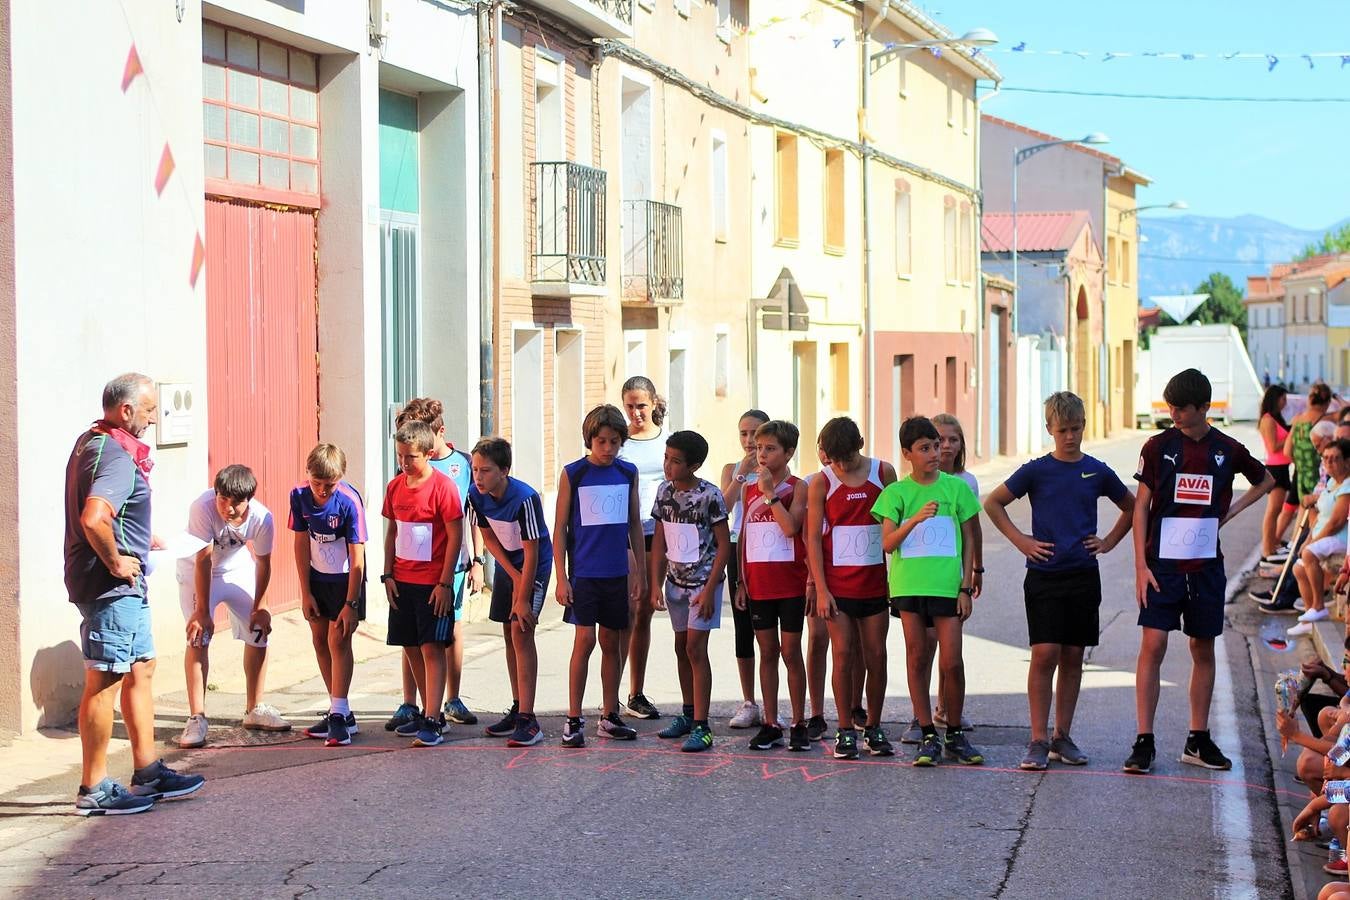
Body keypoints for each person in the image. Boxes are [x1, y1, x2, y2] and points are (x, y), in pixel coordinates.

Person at [65, 373, 205, 815]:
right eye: (148, 411)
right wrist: (116, 561)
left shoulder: (96, 442)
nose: (153, 419)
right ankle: (93, 788)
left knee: (140, 667)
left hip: (124, 582)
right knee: (105, 677)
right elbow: (93, 518)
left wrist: (142, 539)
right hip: (110, 586)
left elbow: (114, 515)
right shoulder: (116, 456)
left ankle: (146, 769)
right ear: (125, 411)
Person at [1124, 368, 1274, 774]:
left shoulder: (1226, 448)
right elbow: (1140, 506)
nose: (1173, 413)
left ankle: (1197, 738)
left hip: (1205, 566)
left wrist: (1228, 513)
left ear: (1204, 408)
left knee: (1201, 647)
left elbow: (1266, 480)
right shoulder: (1157, 447)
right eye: (1169, 406)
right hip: (1162, 566)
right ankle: (1144, 740)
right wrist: (1140, 564)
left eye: (1181, 408)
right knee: (1152, 646)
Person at [983, 392, 1134, 771]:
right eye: (1063, 429)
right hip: (1045, 574)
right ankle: (1037, 738)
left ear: (1084, 426)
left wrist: (1109, 541)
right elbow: (993, 503)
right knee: (1045, 652)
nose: (1070, 436)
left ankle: (1061, 735)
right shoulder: (1036, 470)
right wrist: (1021, 541)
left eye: (1076, 428)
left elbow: (1131, 506)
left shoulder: (1097, 470)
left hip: (1083, 573)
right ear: (1049, 429)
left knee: (1072, 656)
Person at [873, 416, 982, 767]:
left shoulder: (956, 488)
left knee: (952, 660)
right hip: (909, 587)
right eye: (925, 448)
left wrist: (967, 583)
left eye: (936, 446)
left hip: (947, 586)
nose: (935, 453)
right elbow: (888, 544)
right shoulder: (897, 494)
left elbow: (970, 538)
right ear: (907, 453)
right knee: (918, 656)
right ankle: (927, 733)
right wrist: (915, 519)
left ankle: (954, 731)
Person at [384, 398, 484, 733]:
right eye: (400, 457)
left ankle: (435, 717)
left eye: (410, 457)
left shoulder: (444, 487)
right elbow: (392, 531)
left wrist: (444, 582)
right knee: (409, 644)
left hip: (433, 582)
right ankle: (422, 709)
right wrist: (387, 575)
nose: (404, 463)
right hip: (403, 579)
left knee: (432, 647)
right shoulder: (395, 486)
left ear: (428, 453)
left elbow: (455, 535)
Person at [555, 404, 647, 746]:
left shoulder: (627, 472)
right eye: (602, 441)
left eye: (614, 441)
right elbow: (561, 528)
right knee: (585, 641)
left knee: (613, 641)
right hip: (584, 573)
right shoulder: (574, 473)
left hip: (616, 572)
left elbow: (635, 524)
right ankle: (573, 718)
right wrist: (561, 577)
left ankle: (610, 714)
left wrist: (640, 571)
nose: (608, 449)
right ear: (590, 441)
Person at [178, 464, 287, 749]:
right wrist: (202, 610)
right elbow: (203, 560)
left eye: (236, 501)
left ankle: (255, 708)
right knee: (198, 636)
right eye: (222, 499)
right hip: (198, 572)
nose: (228, 507)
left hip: (236, 567)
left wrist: (261, 606)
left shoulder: (262, 518)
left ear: (249, 499)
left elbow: (263, 562)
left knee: (259, 630)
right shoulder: (202, 508)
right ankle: (197, 717)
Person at [806, 416, 896, 760]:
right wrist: (821, 588)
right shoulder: (821, 482)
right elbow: (813, 537)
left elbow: (894, 526)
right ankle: (845, 729)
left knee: (876, 655)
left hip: (874, 583)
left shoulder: (882, 473)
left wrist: (894, 579)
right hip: (838, 586)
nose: (842, 465)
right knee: (842, 655)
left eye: (847, 458)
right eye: (835, 459)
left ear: (860, 444)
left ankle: (873, 725)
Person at [466, 437, 553, 747]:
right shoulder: (476, 495)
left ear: (504, 470)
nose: (478, 477)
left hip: (534, 565)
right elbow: (488, 538)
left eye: (485, 470)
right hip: (508, 564)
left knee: (521, 629)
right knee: (507, 631)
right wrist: (511, 575)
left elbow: (533, 550)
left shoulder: (525, 498)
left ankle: (530, 720)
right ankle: (518, 708)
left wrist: (523, 593)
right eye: (475, 469)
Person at [649, 431, 732, 752]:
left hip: (703, 585)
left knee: (697, 648)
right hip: (675, 584)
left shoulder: (710, 496)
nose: (668, 465)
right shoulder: (664, 491)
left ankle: (703, 724)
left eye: (676, 461)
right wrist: (656, 583)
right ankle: (687, 713)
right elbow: (659, 540)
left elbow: (723, 545)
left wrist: (711, 587)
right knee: (681, 646)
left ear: (694, 465)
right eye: (666, 458)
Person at [738, 420, 811, 751]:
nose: (762, 454)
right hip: (759, 584)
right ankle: (770, 721)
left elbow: (791, 527)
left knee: (790, 651)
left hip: (791, 585)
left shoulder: (798, 487)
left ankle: (797, 721)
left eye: (770, 448)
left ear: (789, 452)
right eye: (758, 448)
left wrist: (769, 494)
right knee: (766, 651)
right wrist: (741, 581)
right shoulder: (746, 487)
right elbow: (743, 538)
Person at [290, 443, 368, 747]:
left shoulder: (349, 501)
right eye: (316, 482)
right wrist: (305, 590)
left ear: (341, 477)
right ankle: (341, 709)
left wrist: (351, 603)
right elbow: (299, 544)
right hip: (317, 577)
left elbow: (357, 556)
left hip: (346, 579)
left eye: (329, 484)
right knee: (320, 640)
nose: (322, 490)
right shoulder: (298, 496)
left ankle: (338, 712)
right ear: (308, 474)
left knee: (339, 639)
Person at [914, 412, 983, 738]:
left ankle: (946, 708)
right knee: (924, 647)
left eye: (953, 440)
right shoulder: (915, 482)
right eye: (939, 440)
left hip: (954, 579)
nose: (946, 446)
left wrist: (974, 571)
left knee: (950, 650)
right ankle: (923, 714)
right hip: (924, 579)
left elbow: (973, 531)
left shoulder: (965, 483)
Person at [617, 375, 667, 720]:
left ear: (653, 404)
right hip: (624, 531)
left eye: (641, 406)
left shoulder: (667, 440)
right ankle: (614, 693)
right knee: (629, 609)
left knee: (647, 606)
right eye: (630, 406)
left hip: (658, 531)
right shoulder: (619, 444)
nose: (636, 413)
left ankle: (637, 691)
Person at [720, 409, 770, 730]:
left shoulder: (776, 466)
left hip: (767, 549)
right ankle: (749, 700)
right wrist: (743, 475)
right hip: (738, 548)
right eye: (743, 434)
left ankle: (772, 700)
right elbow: (722, 507)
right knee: (743, 627)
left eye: (755, 434)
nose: (749, 441)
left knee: (769, 629)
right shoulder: (732, 469)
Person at [1287, 438, 1350, 637]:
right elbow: (1321, 517)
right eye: (1326, 458)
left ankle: (1318, 605)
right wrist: (1308, 539)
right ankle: (1309, 614)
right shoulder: (1331, 483)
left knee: (1309, 554)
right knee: (1298, 568)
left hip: (1341, 538)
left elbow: (1336, 522)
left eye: (1335, 459)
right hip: (1326, 536)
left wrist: (1312, 543)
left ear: (1347, 461)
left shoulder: (1347, 486)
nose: (1329, 463)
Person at [1257, 385, 1295, 562]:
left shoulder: (1277, 418)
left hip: (1282, 467)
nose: (1285, 403)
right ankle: (1266, 549)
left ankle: (1271, 545)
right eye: (1283, 399)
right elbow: (1273, 446)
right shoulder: (1268, 420)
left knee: (1276, 510)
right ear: (1275, 399)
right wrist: (1291, 434)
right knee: (1273, 511)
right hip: (1275, 469)